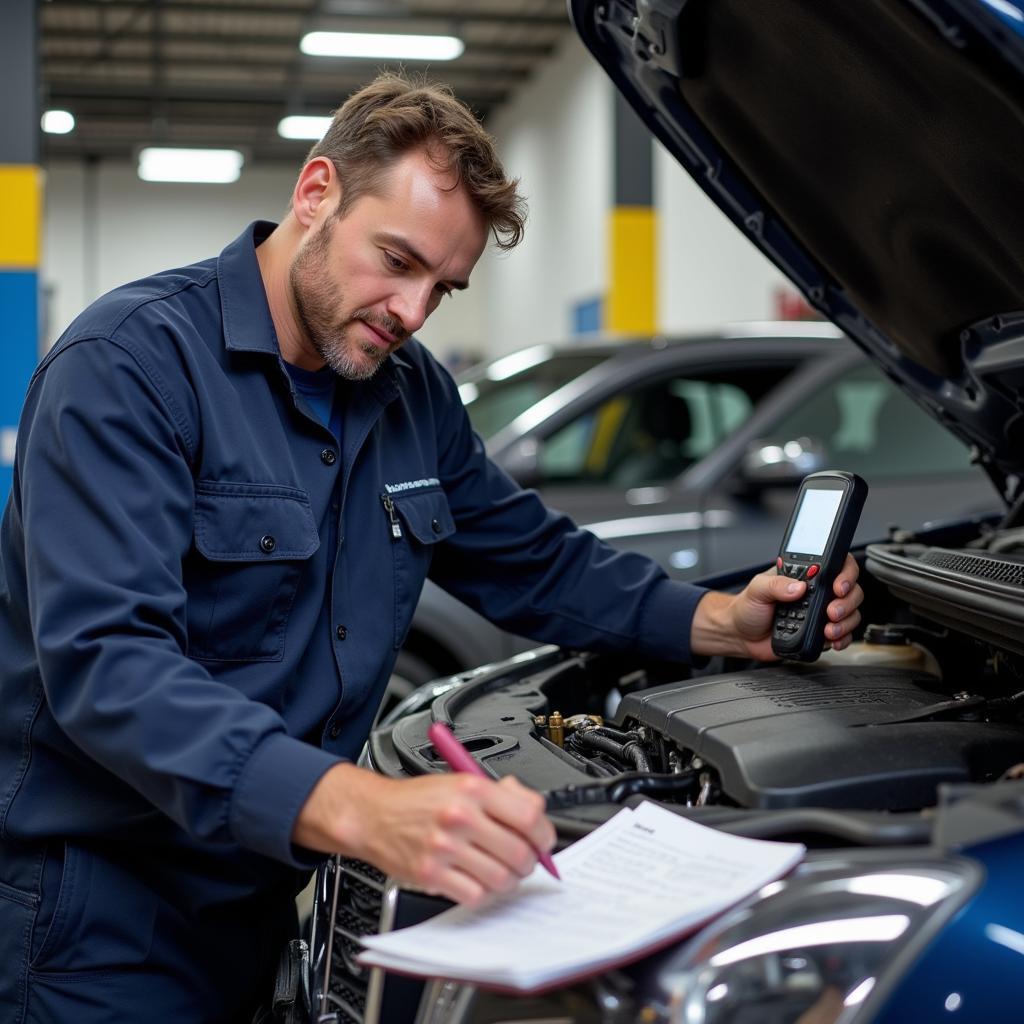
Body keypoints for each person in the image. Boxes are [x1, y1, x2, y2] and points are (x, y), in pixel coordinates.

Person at [0, 73, 863, 1023]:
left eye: (442, 288)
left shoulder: (407, 393)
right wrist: (362, 806)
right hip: (90, 921)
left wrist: (722, 620)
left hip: (259, 903)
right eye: (396, 261)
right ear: (317, 191)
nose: (411, 312)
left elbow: (531, 557)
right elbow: (110, 668)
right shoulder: (128, 367)